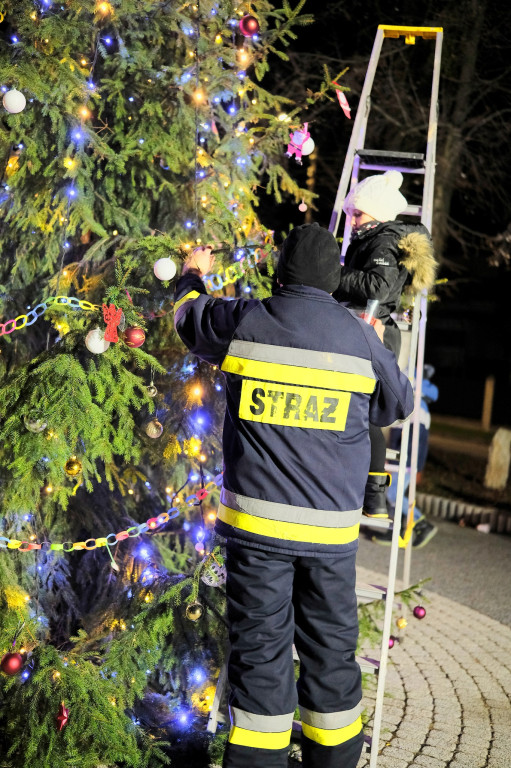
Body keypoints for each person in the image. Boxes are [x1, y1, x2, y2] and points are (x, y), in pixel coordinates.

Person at [174, 223, 414, 768]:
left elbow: (188, 317)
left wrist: (193, 274)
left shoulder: (247, 319)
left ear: (280, 274)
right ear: (334, 280)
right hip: (330, 538)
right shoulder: (359, 337)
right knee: (331, 655)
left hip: (256, 533)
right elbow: (396, 405)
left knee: (261, 655)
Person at [333, 170, 437, 518]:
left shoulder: (384, 241)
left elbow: (377, 287)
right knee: (356, 409)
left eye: (358, 213)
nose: (352, 220)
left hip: (373, 331)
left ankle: (374, 493)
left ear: (376, 212)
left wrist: (333, 274)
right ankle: (366, 491)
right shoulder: (373, 237)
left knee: (364, 412)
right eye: (350, 213)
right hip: (363, 328)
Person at [373, 364, 439, 548]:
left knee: (393, 494)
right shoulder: (407, 401)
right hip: (402, 444)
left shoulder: (418, 401)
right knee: (393, 490)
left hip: (410, 448)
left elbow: (433, 392)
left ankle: (421, 523)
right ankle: (395, 530)